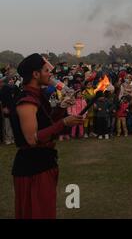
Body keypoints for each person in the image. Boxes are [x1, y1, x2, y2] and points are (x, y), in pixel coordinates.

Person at [10, 54, 84, 219]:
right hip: (32, 168)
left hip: (44, 162)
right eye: (46, 70)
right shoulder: (27, 101)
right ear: (35, 74)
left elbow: (47, 123)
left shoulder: (38, 95)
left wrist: (60, 109)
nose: (50, 74)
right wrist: (64, 122)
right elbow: (32, 139)